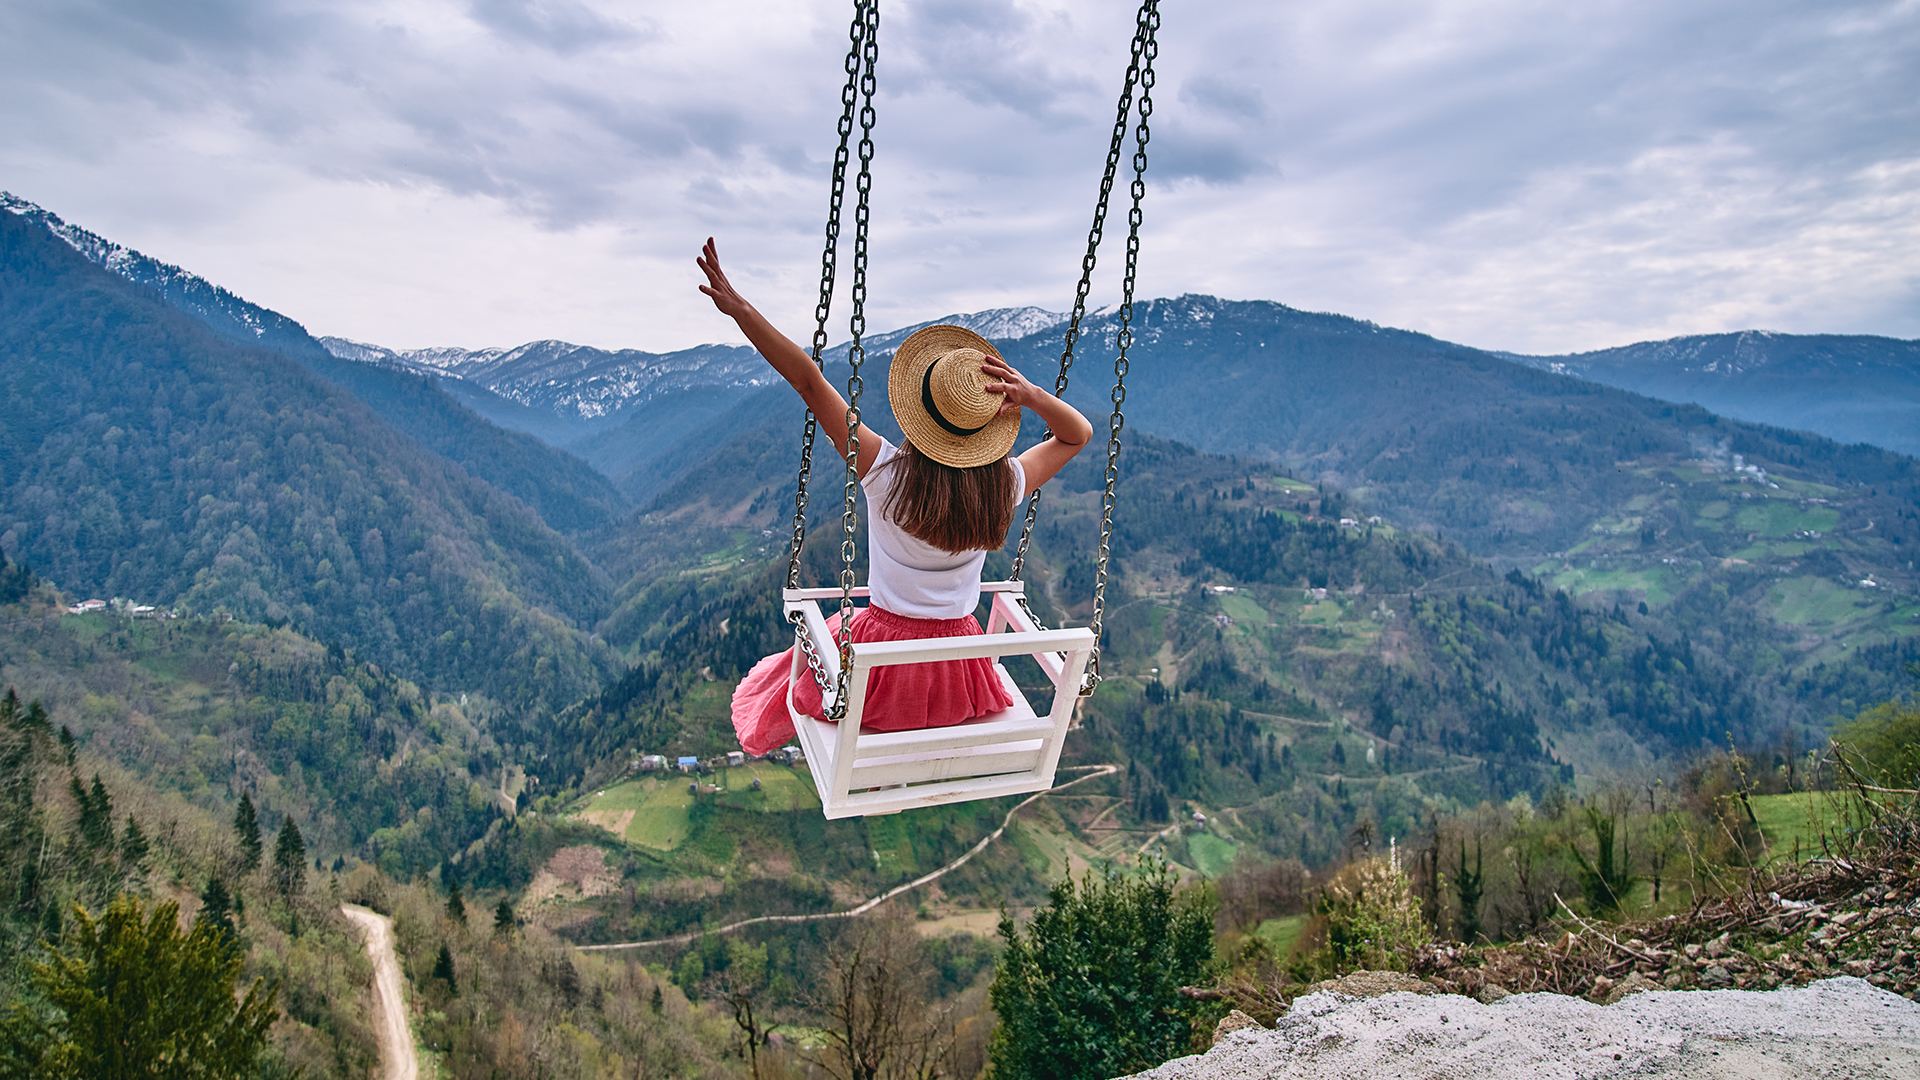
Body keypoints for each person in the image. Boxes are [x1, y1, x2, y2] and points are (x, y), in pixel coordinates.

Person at [697, 239, 1093, 755]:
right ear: (987, 430)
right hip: (959, 675)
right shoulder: (1006, 485)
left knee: (810, 654)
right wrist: (1033, 395)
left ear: (918, 419)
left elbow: (809, 381)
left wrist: (742, 311)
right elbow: (1076, 435)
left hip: (884, 672)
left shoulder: (884, 472)